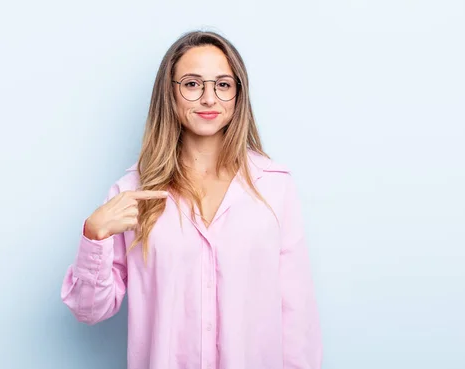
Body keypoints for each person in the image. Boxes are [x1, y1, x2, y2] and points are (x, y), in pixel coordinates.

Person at [61, 30, 322, 369]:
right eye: (192, 84)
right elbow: (89, 310)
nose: (209, 99)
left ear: (238, 95)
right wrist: (94, 236)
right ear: (169, 93)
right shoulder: (131, 193)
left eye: (223, 85)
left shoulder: (275, 187)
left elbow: (296, 313)